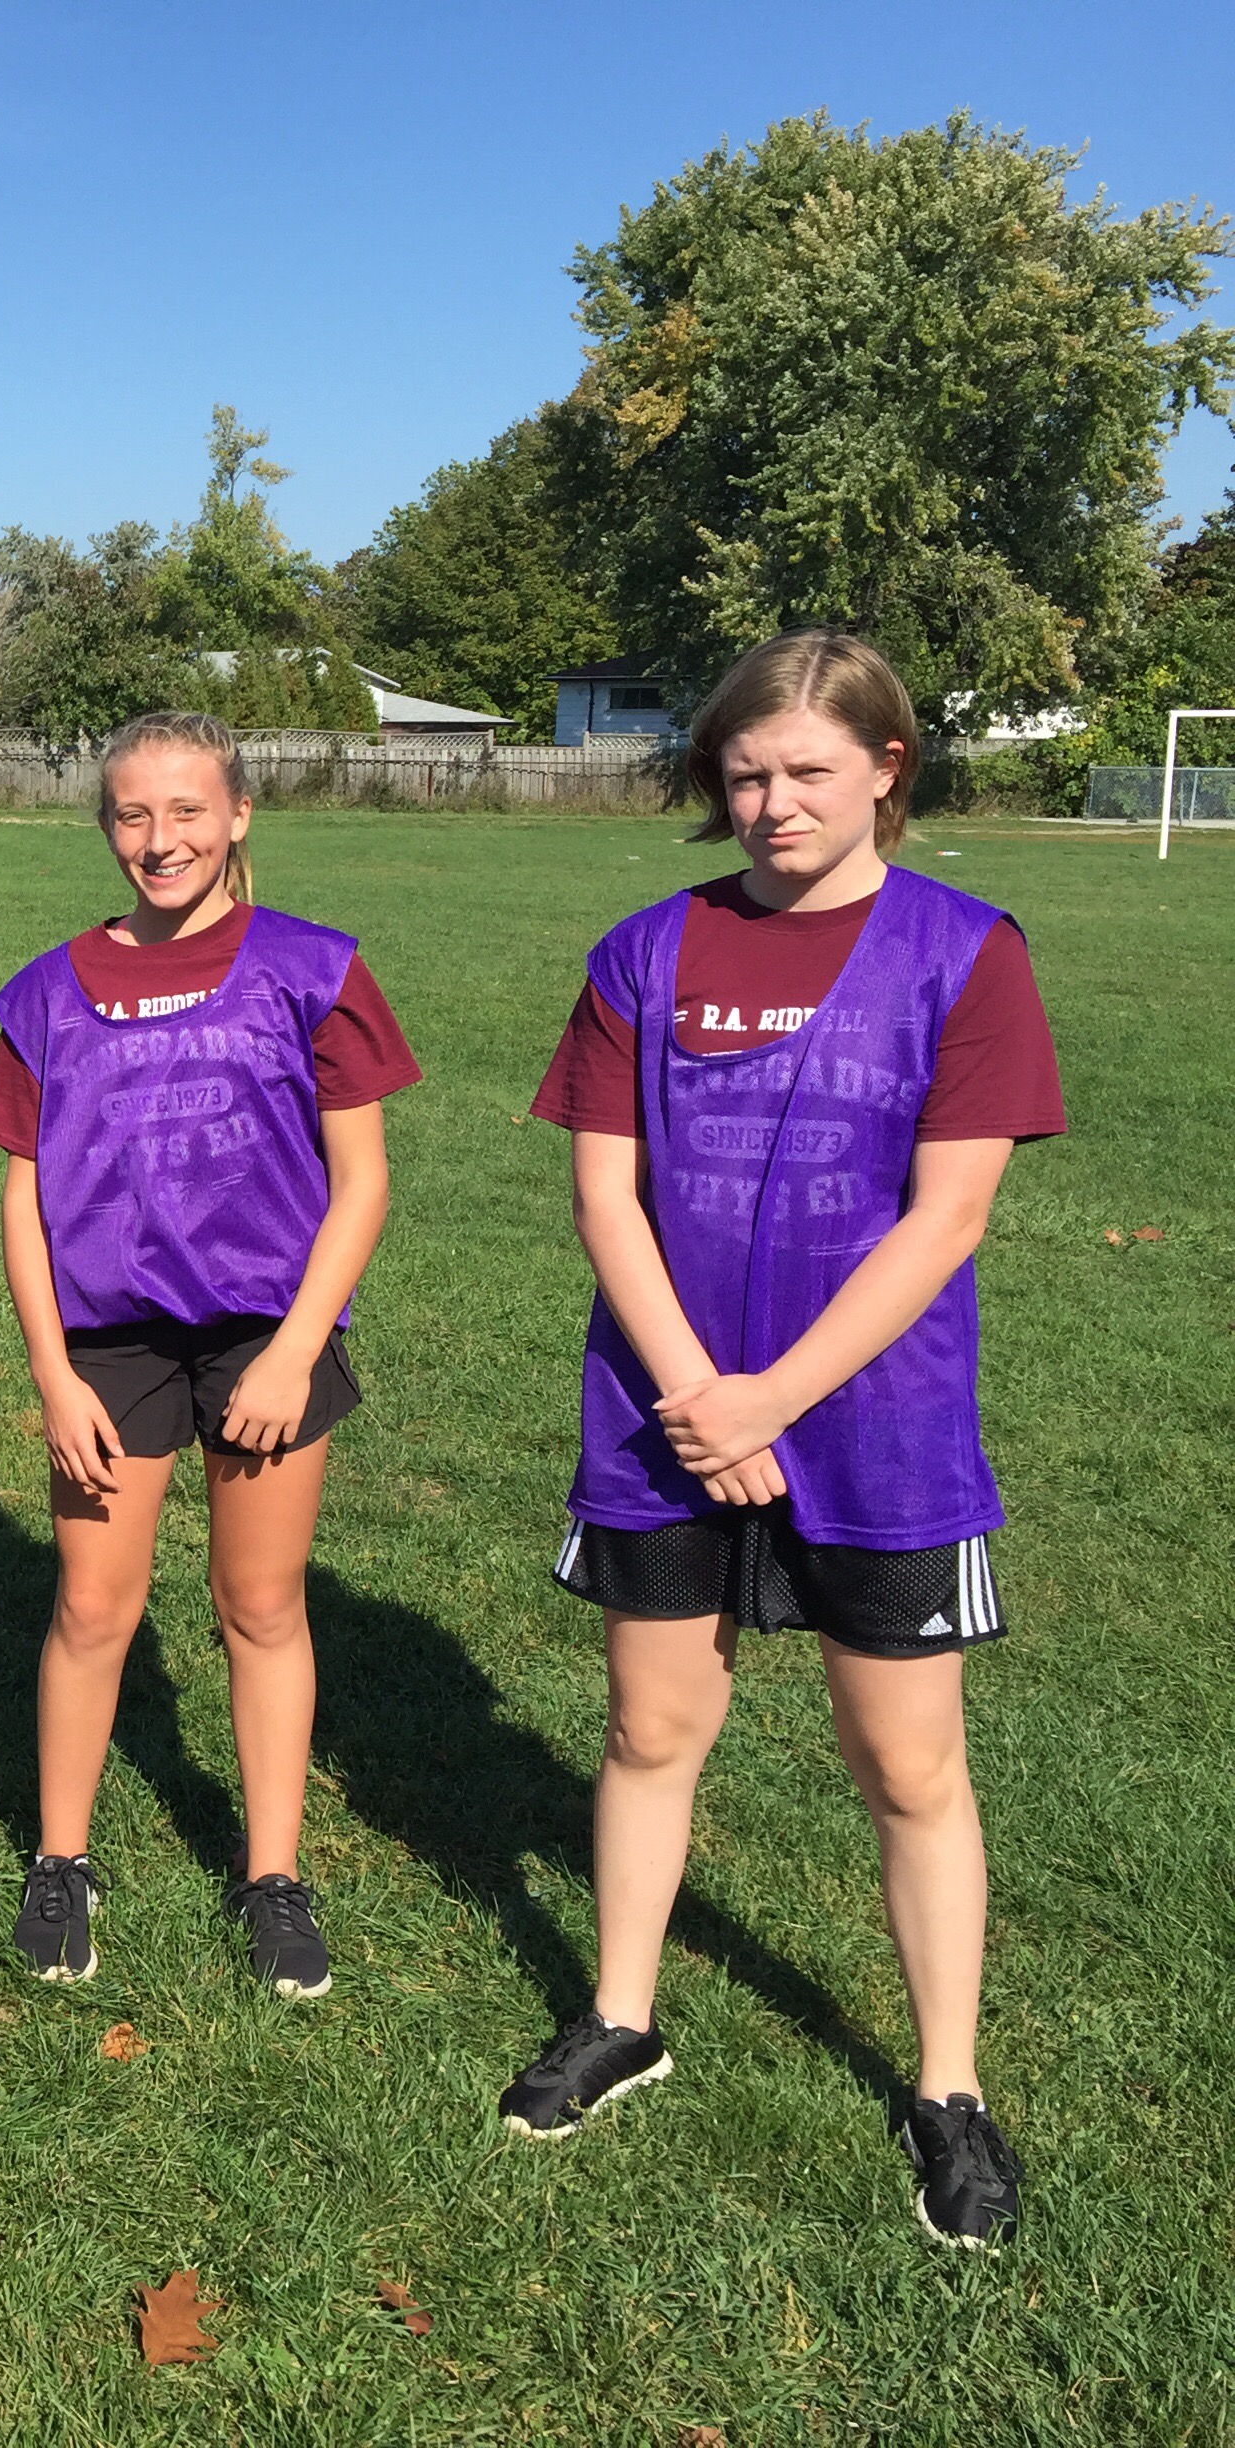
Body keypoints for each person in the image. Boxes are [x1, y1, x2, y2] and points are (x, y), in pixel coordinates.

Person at [500, 630, 1064, 2250]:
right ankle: (621, 2015)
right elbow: (604, 1192)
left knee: (907, 1764)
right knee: (649, 1728)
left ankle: (946, 2088)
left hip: (876, 1429)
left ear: (886, 765)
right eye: (743, 773)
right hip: (662, 1416)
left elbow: (946, 1215)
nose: (773, 802)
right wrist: (701, 1393)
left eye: (808, 769)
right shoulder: (642, 952)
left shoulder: (965, 952)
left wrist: (775, 1396)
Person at [0, 712, 419, 1994]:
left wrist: (296, 1351)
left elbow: (362, 1181)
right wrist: (53, 1374)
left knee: (259, 1607)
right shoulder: (48, 990)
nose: (159, 839)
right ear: (104, 825)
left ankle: (273, 1876)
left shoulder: (311, 966)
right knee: (91, 1608)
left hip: (265, 1333)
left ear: (237, 817)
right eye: (132, 814)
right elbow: (22, 1197)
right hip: (108, 1339)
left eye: (186, 811)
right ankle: (61, 1860)